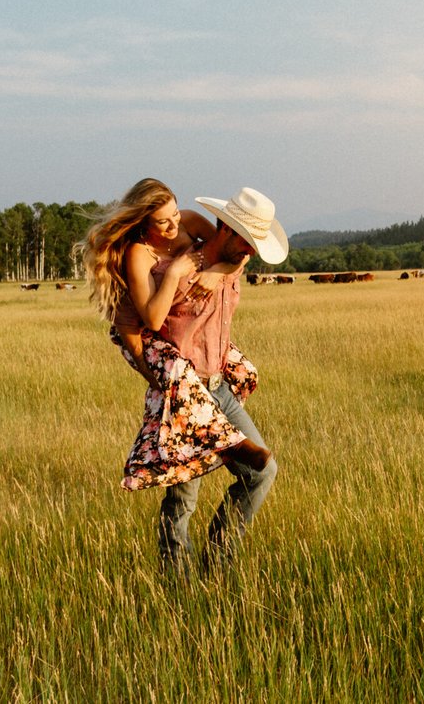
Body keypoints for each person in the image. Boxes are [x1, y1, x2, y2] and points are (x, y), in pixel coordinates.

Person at [79, 179, 270, 493]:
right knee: (182, 489)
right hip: (155, 344)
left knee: (242, 370)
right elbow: (152, 319)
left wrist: (215, 272)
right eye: (162, 221)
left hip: (208, 368)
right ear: (142, 220)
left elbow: (236, 253)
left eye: (174, 216)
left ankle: (226, 441)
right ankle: (229, 443)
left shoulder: (190, 220)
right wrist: (174, 273)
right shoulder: (139, 254)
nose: (173, 225)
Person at [145, 187, 287, 569]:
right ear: (223, 227)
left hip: (219, 389)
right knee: (183, 499)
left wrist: (223, 268)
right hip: (186, 395)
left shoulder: (232, 259)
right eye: (247, 241)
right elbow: (148, 323)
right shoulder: (179, 263)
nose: (251, 252)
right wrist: (184, 276)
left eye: (256, 244)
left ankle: (218, 562)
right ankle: (177, 581)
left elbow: (235, 260)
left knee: (262, 471)